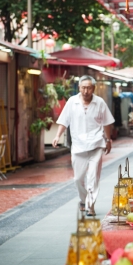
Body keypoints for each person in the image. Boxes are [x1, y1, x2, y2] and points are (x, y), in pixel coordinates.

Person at [52, 75, 115, 217]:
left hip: (96, 144)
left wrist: (108, 140)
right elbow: (64, 120)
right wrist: (57, 136)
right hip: (78, 146)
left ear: (93, 88)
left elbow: (106, 123)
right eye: (83, 87)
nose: (86, 91)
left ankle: (90, 205)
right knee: (78, 178)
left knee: (93, 177)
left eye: (89, 88)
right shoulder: (72, 102)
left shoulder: (100, 103)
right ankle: (83, 200)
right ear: (79, 88)